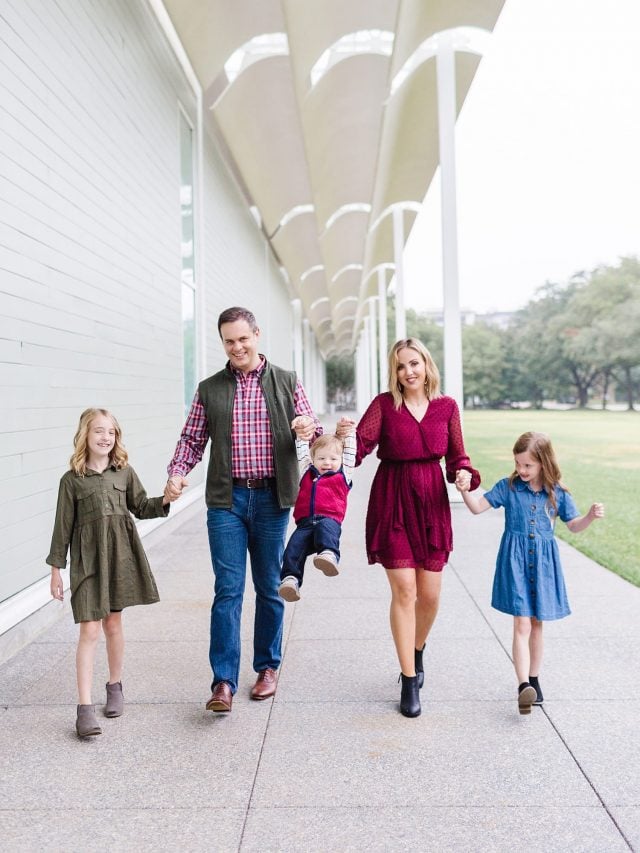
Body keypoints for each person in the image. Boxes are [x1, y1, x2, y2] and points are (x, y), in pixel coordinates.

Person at [165, 306, 321, 713]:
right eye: (229, 341)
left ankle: (267, 667)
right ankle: (223, 682)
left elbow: (313, 428)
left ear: (257, 334)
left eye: (243, 338)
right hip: (226, 500)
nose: (237, 347)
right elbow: (192, 440)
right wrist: (177, 473)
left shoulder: (286, 381)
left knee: (270, 586)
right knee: (228, 590)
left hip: (272, 499)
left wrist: (308, 427)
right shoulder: (210, 388)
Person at [337, 338, 480, 718]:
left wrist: (463, 474)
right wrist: (340, 438)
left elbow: (457, 456)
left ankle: (416, 649)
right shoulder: (384, 405)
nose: (408, 372)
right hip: (393, 499)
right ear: (394, 372)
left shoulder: (446, 407)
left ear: (427, 366)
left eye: (414, 363)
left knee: (430, 596)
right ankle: (409, 678)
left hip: (431, 503)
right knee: (405, 590)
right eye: (401, 366)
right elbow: (360, 447)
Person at [455, 431, 605, 715]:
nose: (521, 470)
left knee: (537, 625)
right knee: (522, 624)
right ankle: (523, 684)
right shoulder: (508, 487)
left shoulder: (557, 493)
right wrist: (463, 488)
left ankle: (534, 680)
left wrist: (589, 516)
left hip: (544, 565)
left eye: (528, 465)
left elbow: (573, 526)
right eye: (518, 464)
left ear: (543, 464)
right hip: (516, 564)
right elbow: (476, 508)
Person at [47, 408, 173, 738]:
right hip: (88, 563)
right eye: (99, 431)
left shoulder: (124, 473)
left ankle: (114, 686)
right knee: (89, 630)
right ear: (85, 436)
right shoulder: (71, 480)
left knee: (113, 623)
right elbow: (62, 528)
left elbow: (142, 506)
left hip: (119, 557)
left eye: (111, 432)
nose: (105, 437)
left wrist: (166, 499)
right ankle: (84, 709)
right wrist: (56, 570)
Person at [278, 419, 356, 602]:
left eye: (333, 459)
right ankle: (291, 579)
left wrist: (349, 433)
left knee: (325, 530)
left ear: (341, 460)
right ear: (313, 460)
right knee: (293, 550)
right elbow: (302, 452)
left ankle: (328, 554)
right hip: (304, 524)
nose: (327, 463)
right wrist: (301, 436)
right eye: (321, 458)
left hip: (329, 519)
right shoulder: (307, 472)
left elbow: (351, 452)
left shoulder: (343, 474)